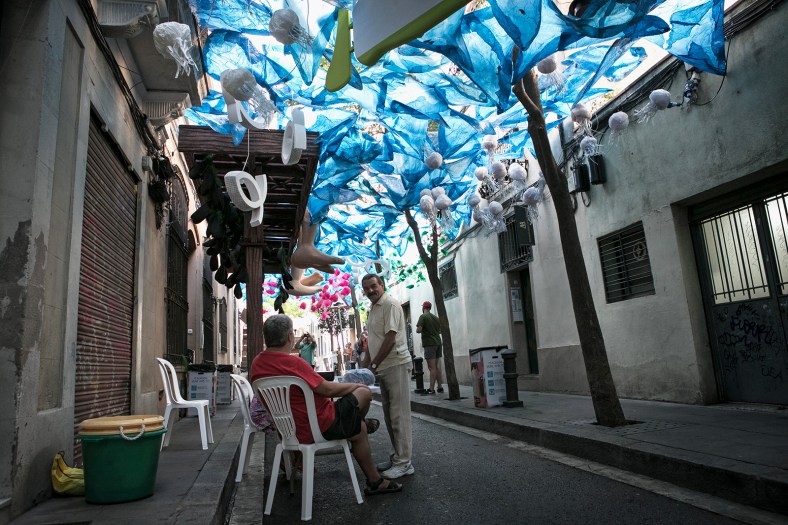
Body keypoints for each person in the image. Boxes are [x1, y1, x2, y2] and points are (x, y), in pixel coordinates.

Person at [251, 314, 402, 496]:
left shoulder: (257, 364)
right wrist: (356, 386)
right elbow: (327, 390)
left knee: (359, 427)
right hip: (321, 425)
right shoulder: (294, 363)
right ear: (290, 336)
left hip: (289, 431)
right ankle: (360, 435)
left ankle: (374, 479)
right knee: (364, 395)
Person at [359, 274, 414, 480]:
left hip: (396, 364)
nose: (370, 290)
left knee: (399, 416)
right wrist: (363, 369)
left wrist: (372, 366)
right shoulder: (373, 308)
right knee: (391, 418)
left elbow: (390, 339)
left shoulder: (390, 304)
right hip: (383, 368)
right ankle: (397, 458)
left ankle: (404, 463)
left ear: (382, 285)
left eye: (374, 286)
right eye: (366, 288)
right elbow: (373, 342)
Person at [416, 301, 444, 394]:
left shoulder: (423, 316)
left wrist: (421, 329)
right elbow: (440, 331)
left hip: (429, 344)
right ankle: (440, 387)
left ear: (423, 308)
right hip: (438, 343)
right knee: (436, 367)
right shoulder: (436, 318)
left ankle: (431, 389)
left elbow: (418, 330)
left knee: (431, 367)